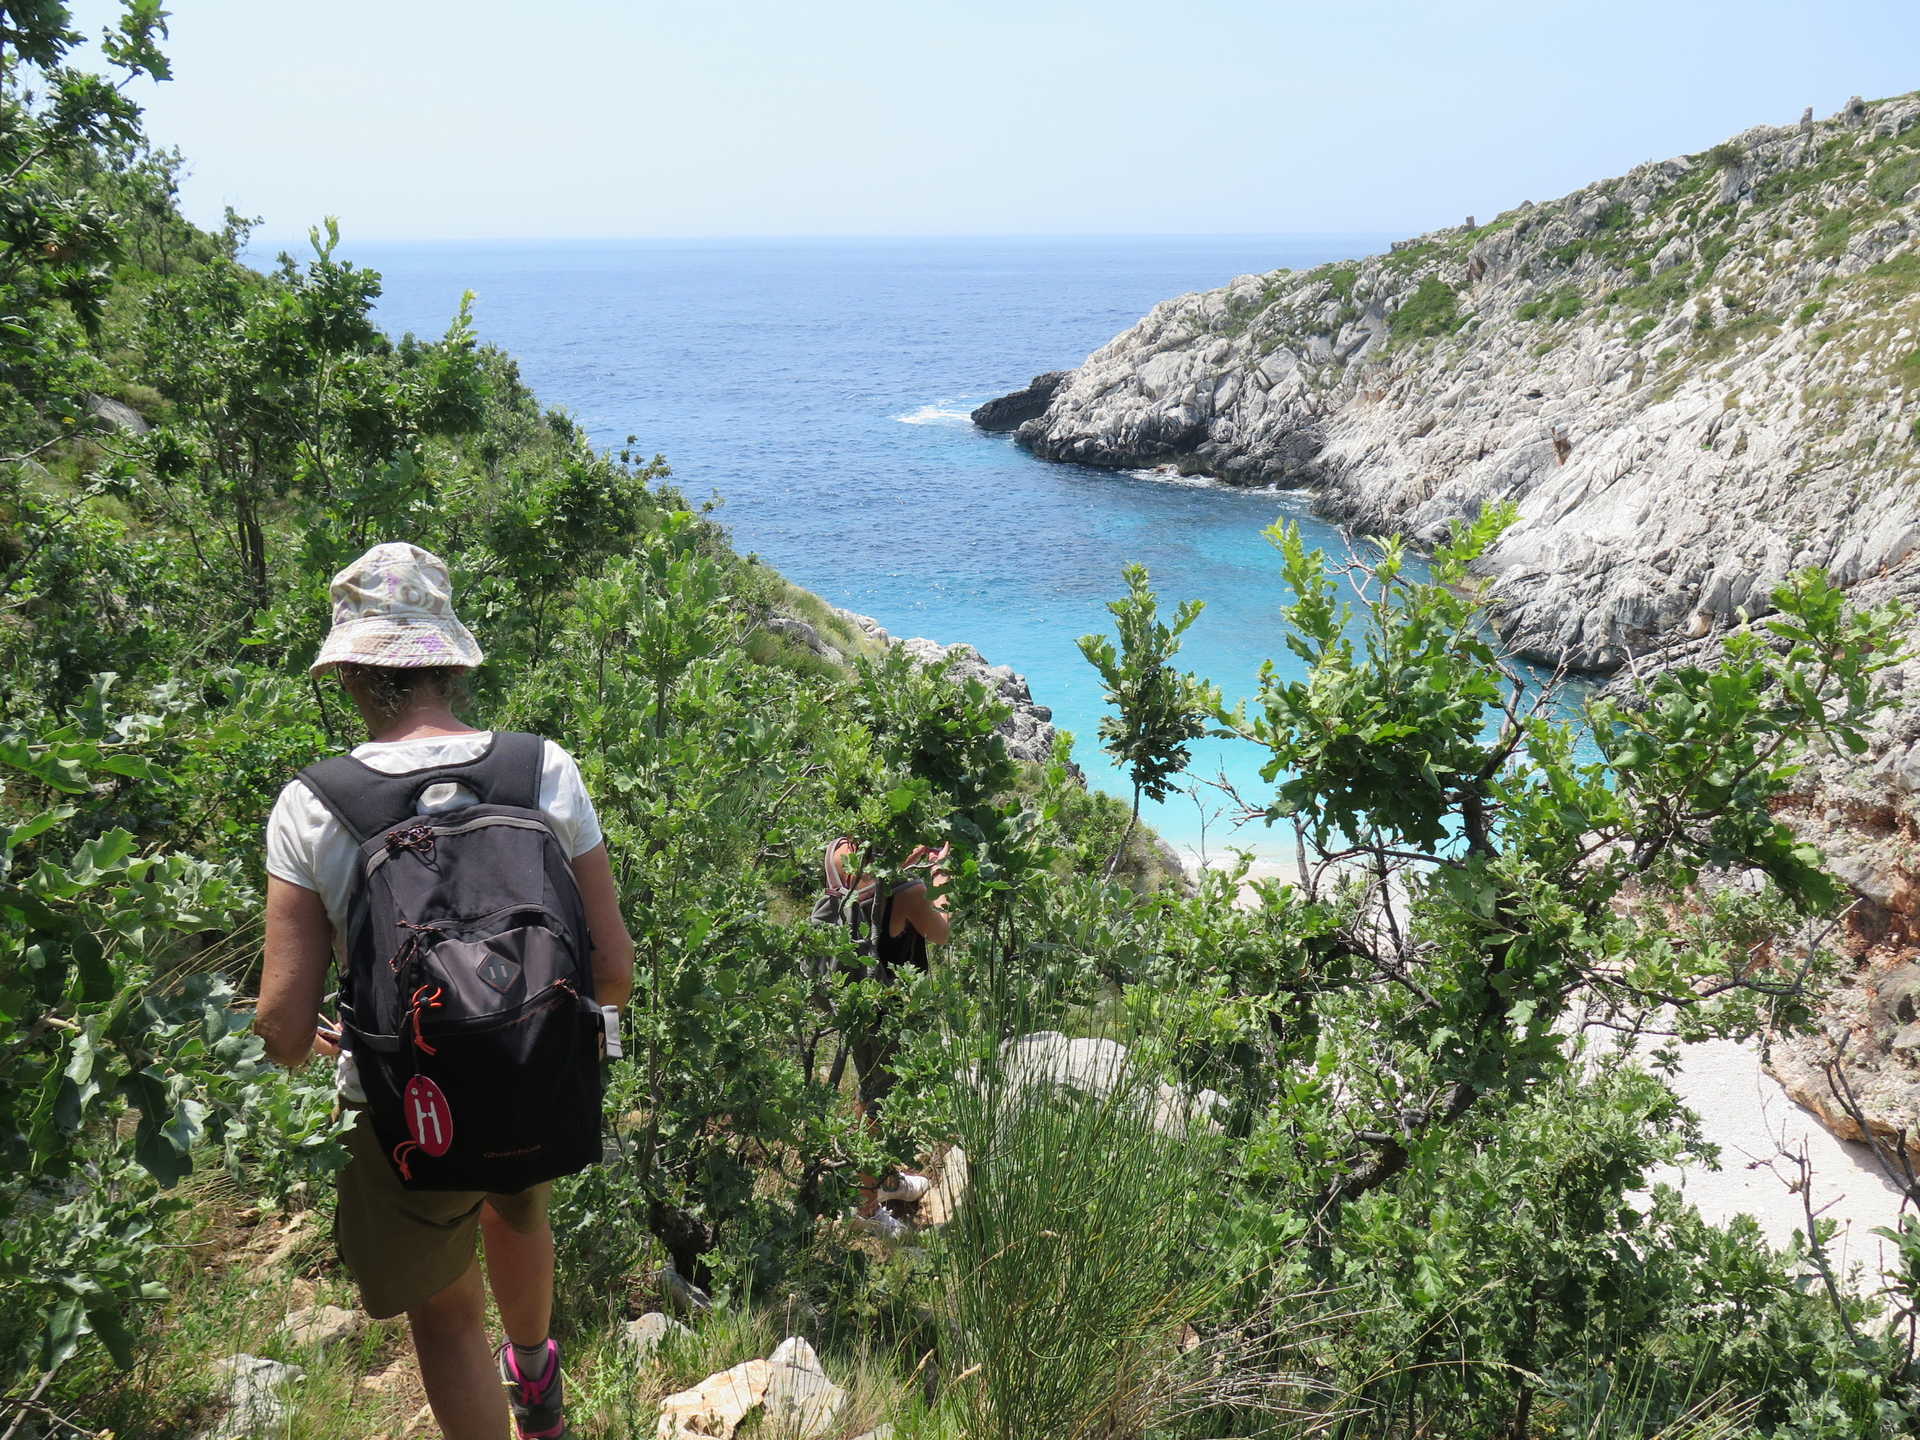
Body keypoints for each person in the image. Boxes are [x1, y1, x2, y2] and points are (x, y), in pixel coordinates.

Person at [255, 543, 635, 1440]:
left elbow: (280, 1023)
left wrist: (320, 1042)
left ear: (348, 668)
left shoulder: (313, 804)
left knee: (444, 1309)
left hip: (405, 1105)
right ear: (450, 659)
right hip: (533, 1070)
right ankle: (536, 1379)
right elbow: (613, 967)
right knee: (518, 1203)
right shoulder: (543, 769)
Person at [820, 837, 951, 1242]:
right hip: (890, 1002)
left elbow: (869, 890)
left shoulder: (840, 848)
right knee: (882, 1096)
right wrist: (940, 875)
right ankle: (865, 1207)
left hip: (851, 991)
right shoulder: (909, 890)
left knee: (869, 1088)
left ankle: (886, 1177)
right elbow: (941, 931)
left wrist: (907, 857)